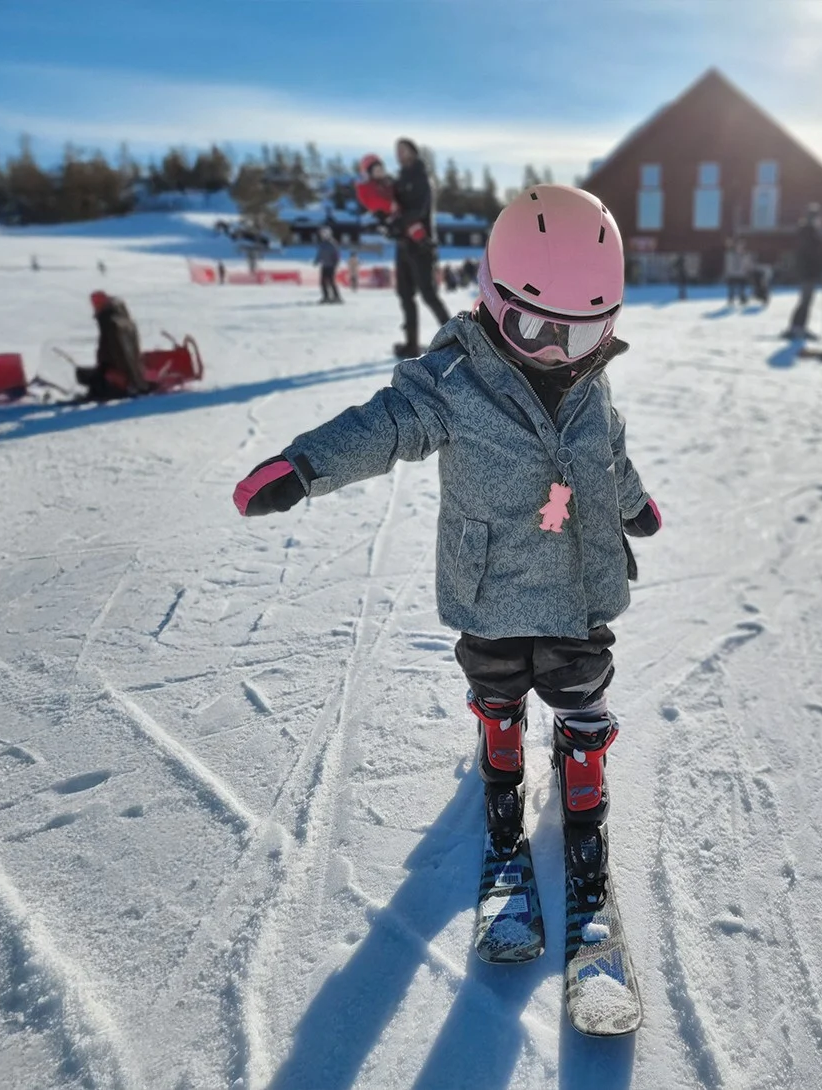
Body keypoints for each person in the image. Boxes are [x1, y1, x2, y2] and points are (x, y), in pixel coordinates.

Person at [232, 185, 660, 908]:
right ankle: (501, 746)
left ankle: (581, 758)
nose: (556, 352)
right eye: (531, 327)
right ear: (492, 299)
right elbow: (388, 423)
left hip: (580, 576)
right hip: (491, 575)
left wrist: (634, 505)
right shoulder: (455, 381)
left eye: (580, 336)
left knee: (582, 677)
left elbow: (609, 456)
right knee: (495, 672)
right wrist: (309, 463)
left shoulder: (593, 388)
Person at [390, 137, 451, 356]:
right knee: (405, 294)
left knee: (428, 294)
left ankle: (455, 340)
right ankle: (411, 344)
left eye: (404, 150)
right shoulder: (399, 179)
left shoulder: (422, 178)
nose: (400, 154)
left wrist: (398, 221)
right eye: (397, 151)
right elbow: (392, 208)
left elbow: (419, 211)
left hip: (421, 245)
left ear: (414, 153)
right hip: (402, 245)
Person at [76, 292, 150, 401]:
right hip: (128, 372)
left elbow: (117, 351)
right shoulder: (121, 319)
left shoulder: (110, 323)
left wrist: (106, 368)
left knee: (84, 375)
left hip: (120, 374)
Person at [782, 203, 822, 339]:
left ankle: (800, 326)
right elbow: (811, 252)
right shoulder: (807, 233)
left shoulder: (810, 233)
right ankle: (796, 327)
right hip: (807, 272)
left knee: (807, 300)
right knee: (805, 300)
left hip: (810, 272)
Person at [314, 227, 342, 304]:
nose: (322, 235)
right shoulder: (322, 244)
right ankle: (326, 297)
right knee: (322, 282)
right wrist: (316, 261)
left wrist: (336, 262)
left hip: (331, 265)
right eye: (322, 234)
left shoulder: (332, 243)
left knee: (331, 281)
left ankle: (336, 297)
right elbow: (320, 254)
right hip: (324, 265)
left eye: (324, 234)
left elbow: (337, 254)